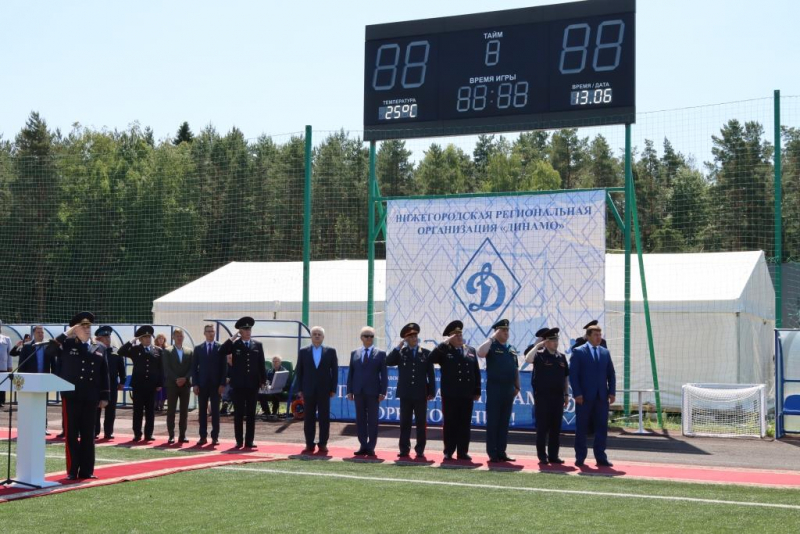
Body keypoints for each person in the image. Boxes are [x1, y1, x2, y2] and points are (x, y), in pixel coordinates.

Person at [53, 312, 110, 480]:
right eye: (83, 326)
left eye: (89, 326)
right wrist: (67, 333)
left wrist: (105, 396)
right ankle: (72, 470)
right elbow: (50, 351)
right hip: (71, 395)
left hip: (91, 396)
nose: (87, 329)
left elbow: (104, 373)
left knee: (88, 434)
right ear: (75, 329)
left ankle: (87, 470)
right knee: (71, 434)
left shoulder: (99, 347)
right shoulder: (67, 344)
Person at [430, 320, 480, 461]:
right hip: (450, 394)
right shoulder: (445, 350)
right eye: (455, 335)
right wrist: (445, 343)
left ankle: (462, 452)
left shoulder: (470, 350)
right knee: (450, 424)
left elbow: (475, 371)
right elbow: (431, 359)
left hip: (466, 394)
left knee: (464, 424)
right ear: (450, 338)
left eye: (460, 334)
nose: (459, 337)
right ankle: (449, 451)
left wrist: (477, 391)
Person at [386, 322, 435, 459]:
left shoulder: (426, 353)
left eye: (415, 336)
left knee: (421, 423)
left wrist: (431, 391)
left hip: (420, 394)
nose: (414, 338)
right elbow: (388, 361)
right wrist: (398, 346)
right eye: (411, 336)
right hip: (406, 394)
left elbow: (430, 374)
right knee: (405, 423)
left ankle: (420, 449)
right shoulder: (401, 353)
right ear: (406, 339)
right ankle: (404, 449)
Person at [570, 323, 616, 467]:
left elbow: (611, 374)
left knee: (602, 427)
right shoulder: (578, 352)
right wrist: (577, 393)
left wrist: (612, 392)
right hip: (584, 397)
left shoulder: (605, 352)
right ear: (588, 336)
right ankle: (580, 457)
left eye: (600, 335)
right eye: (595, 335)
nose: (598, 338)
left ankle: (601, 457)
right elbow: (573, 375)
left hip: (601, 397)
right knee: (582, 428)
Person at [219, 317, 267, 449]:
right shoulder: (235, 345)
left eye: (249, 329)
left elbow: (261, 364)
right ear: (240, 331)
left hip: (252, 385)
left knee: (251, 414)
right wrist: (232, 338)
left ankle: (249, 441)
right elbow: (221, 351)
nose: (248, 331)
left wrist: (262, 380)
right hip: (238, 385)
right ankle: (239, 440)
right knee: (239, 414)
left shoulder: (257, 345)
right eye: (245, 329)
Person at [477, 319, 521, 463]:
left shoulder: (511, 348)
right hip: (495, 389)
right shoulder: (491, 345)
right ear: (496, 331)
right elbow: (480, 353)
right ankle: (493, 453)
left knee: (504, 423)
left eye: (507, 330)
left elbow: (515, 369)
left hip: (509, 389)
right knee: (494, 422)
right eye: (503, 330)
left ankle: (502, 452)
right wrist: (492, 337)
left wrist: (517, 386)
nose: (506, 333)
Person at [526, 327, 569, 464]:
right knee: (542, 428)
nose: (555, 342)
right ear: (546, 342)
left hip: (558, 397)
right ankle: (542, 456)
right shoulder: (539, 355)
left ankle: (553, 455)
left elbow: (565, 377)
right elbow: (528, 359)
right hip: (543, 397)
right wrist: (538, 345)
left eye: (556, 339)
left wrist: (566, 394)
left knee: (555, 428)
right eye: (552, 340)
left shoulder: (561, 357)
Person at [295, 326, 338, 455]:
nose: (317, 336)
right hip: (308, 390)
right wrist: (300, 389)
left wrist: (333, 388)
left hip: (325, 390)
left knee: (324, 417)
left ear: (323, 337)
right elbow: (299, 371)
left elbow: (334, 371)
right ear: (311, 336)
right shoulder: (303, 351)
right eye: (314, 334)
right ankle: (309, 443)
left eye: (319, 334)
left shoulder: (330, 351)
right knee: (309, 417)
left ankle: (323, 443)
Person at [347, 326, 387, 457]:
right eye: (366, 336)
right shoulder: (354, 353)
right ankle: (363, 445)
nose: (369, 338)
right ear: (361, 338)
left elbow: (384, 375)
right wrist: (349, 390)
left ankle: (371, 446)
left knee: (373, 420)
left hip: (374, 392)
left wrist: (383, 392)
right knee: (360, 419)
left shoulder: (381, 353)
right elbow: (351, 373)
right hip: (358, 391)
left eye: (371, 336)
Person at [118, 325, 164, 441]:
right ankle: (137, 433)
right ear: (140, 339)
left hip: (151, 386)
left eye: (149, 337)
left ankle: (149, 434)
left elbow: (161, 369)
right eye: (145, 337)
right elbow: (121, 351)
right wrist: (132, 340)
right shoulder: (135, 349)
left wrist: (159, 384)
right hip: (138, 385)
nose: (148, 339)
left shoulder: (158, 350)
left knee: (150, 411)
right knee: (138, 411)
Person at [192, 324, 226, 446]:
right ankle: (202, 436)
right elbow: (194, 368)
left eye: (212, 331)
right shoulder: (198, 348)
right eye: (208, 331)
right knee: (202, 411)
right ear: (204, 333)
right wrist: (195, 384)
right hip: (202, 385)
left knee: (215, 412)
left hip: (216, 386)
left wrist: (222, 384)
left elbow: (224, 368)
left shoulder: (220, 347)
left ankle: (215, 436)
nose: (211, 333)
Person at [94, 325, 126, 439]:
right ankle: (95, 431)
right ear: (99, 338)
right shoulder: (95, 350)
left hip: (112, 384)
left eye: (109, 337)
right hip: (97, 384)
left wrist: (122, 381)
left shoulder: (115, 352)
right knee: (96, 409)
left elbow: (121, 368)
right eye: (105, 337)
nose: (108, 339)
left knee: (111, 409)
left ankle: (109, 431)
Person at [163, 328, 194, 444]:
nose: (179, 338)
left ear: (183, 337)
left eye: (181, 335)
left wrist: (185, 378)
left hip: (185, 385)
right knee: (171, 411)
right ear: (173, 337)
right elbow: (166, 369)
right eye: (177, 336)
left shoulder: (189, 351)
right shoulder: (167, 351)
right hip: (172, 384)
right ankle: (171, 435)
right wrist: (177, 379)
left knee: (184, 411)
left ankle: (182, 435)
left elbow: (192, 368)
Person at [259, 356, 289, 421]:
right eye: (273, 361)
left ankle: (274, 413)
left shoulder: (284, 371)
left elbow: (286, 383)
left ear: (280, 362)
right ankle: (267, 413)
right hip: (270, 389)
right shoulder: (269, 371)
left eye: (276, 361)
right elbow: (266, 381)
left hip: (281, 389)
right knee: (261, 395)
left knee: (275, 394)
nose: (274, 363)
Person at [153, 333, 168, 412]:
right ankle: (156, 405)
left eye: (162, 338)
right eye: (159, 338)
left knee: (165, 390)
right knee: (157, 390)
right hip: (157, 372)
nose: (161, 340)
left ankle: (161, 405)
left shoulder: (167, 349)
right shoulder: (154, 348)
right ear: (157, 340)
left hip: (165, 373)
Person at [0, 321, 11, 409]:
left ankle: (1, 401)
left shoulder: (6, 339)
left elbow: (9, 354)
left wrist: (9, 366)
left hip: (2, 366)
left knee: (2, 384)